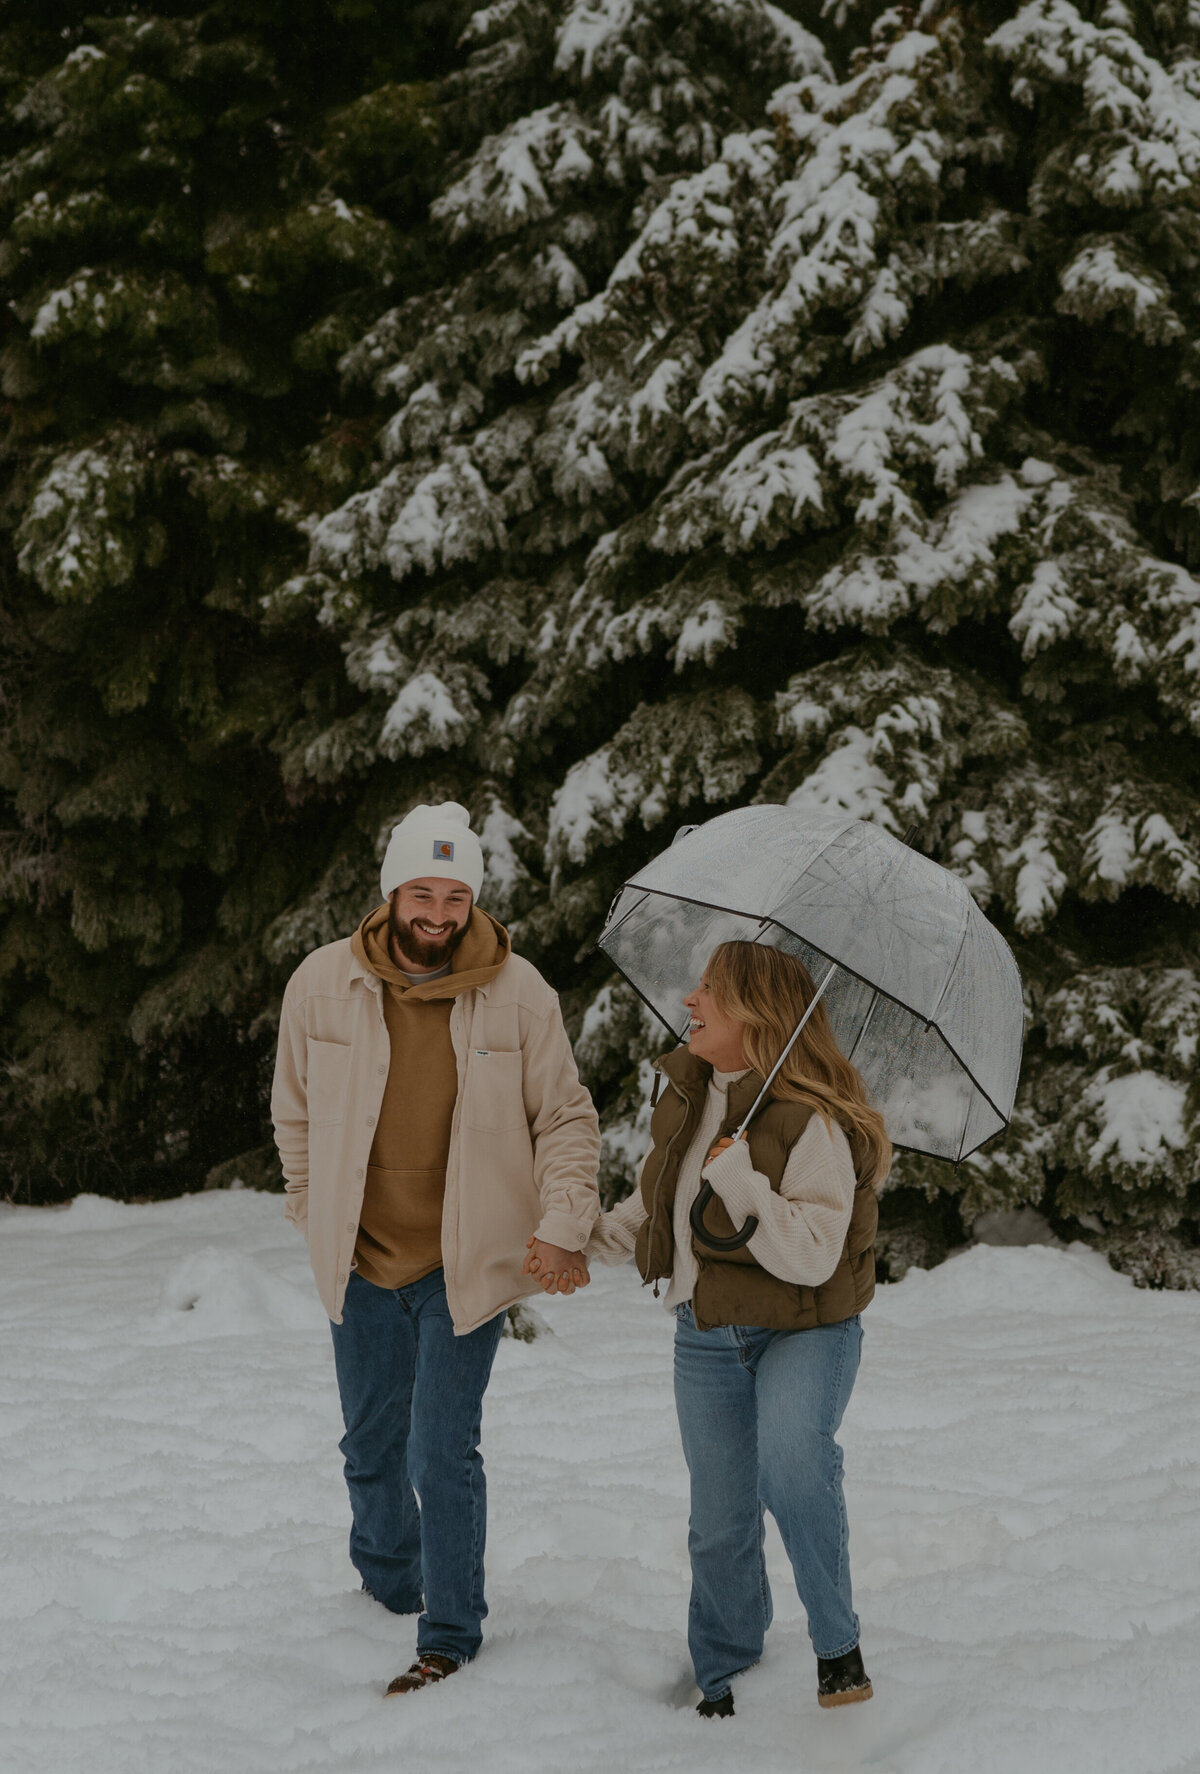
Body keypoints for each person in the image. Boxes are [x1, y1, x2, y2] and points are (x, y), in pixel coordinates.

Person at [271, 802, 600, 1696]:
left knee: (440, 1453)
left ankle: (450, 1630)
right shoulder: (320, 984)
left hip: (465, 1266)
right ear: (391, 891)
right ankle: (387, 1587)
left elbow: (565, 1117)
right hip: (361, 1262)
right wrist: (310, 1206)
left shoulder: (521, 992)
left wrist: (564, 1219)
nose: (439, 914)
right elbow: (292, 1108)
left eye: (455, 897)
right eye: (424, 892)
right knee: (371, 1450)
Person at [587, 940, 890, 1719]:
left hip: (805, 1330)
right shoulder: (691, 1097)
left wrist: (745, 1185)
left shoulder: (811, 1119)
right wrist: (577, 1237)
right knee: (717, 1520)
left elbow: (816, 1254)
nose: (691, 1001)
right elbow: (663, 1209)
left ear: (755, 1014)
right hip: (706, 1331)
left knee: (792, 1465)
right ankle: (723, 1668)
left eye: (709, 992)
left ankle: (837, 1645)